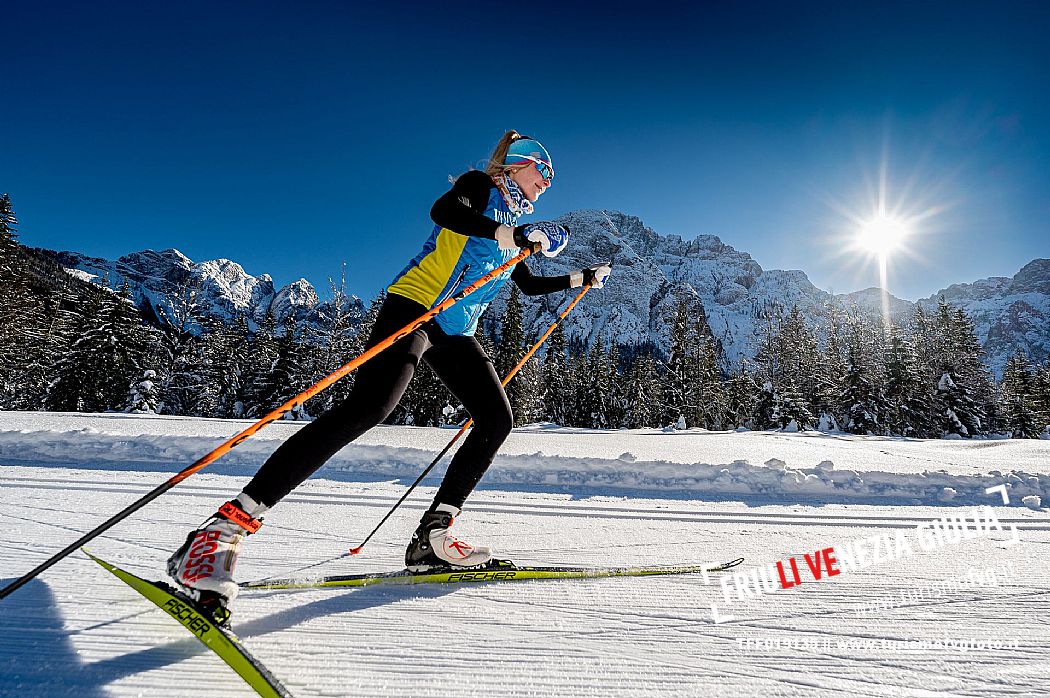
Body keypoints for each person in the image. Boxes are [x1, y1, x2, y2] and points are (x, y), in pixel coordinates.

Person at [167, 130, 613, 612]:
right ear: (517, 165)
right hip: (415, 306)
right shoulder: (479, 188)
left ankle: (433, 537)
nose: (548, 182)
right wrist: (512, 234)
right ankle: (219, 533)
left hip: (455, 327)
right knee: (369, 407)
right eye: (544, 171)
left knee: (496, 418)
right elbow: (445, 214)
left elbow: (524, 283)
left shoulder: (517, 225)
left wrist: (579, 278)